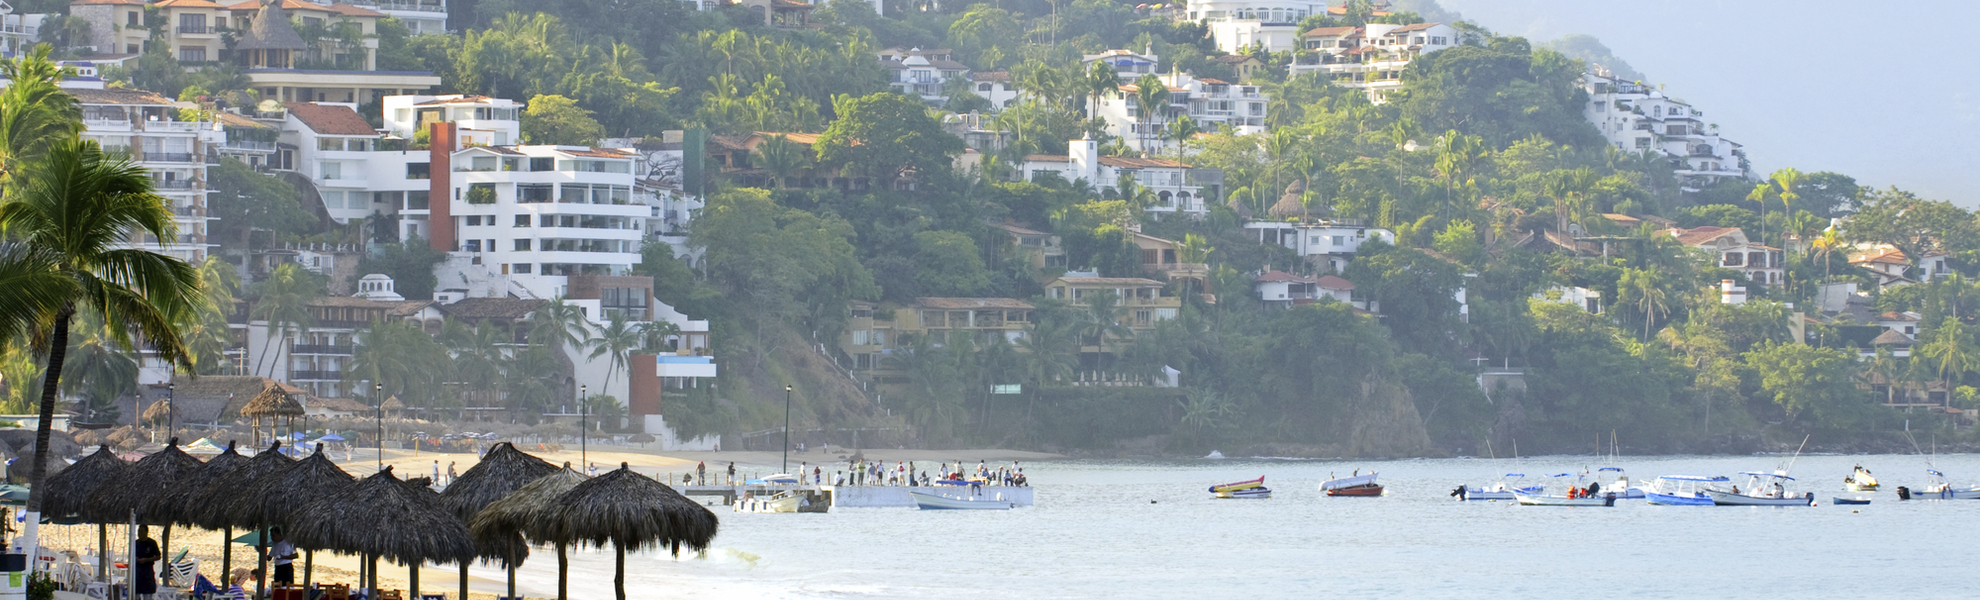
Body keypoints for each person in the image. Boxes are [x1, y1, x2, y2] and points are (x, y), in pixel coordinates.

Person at [134, 526, 160, 599]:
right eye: (138, 532)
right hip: (137, 573)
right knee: (135, 594)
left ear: (146, 532)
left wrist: (147, 559)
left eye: (141, 532)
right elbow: (131, 556)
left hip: (147, 572)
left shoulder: (151, 543)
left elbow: (158, 556)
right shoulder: (136, 543)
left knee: (147, 595)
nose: (139, 534)